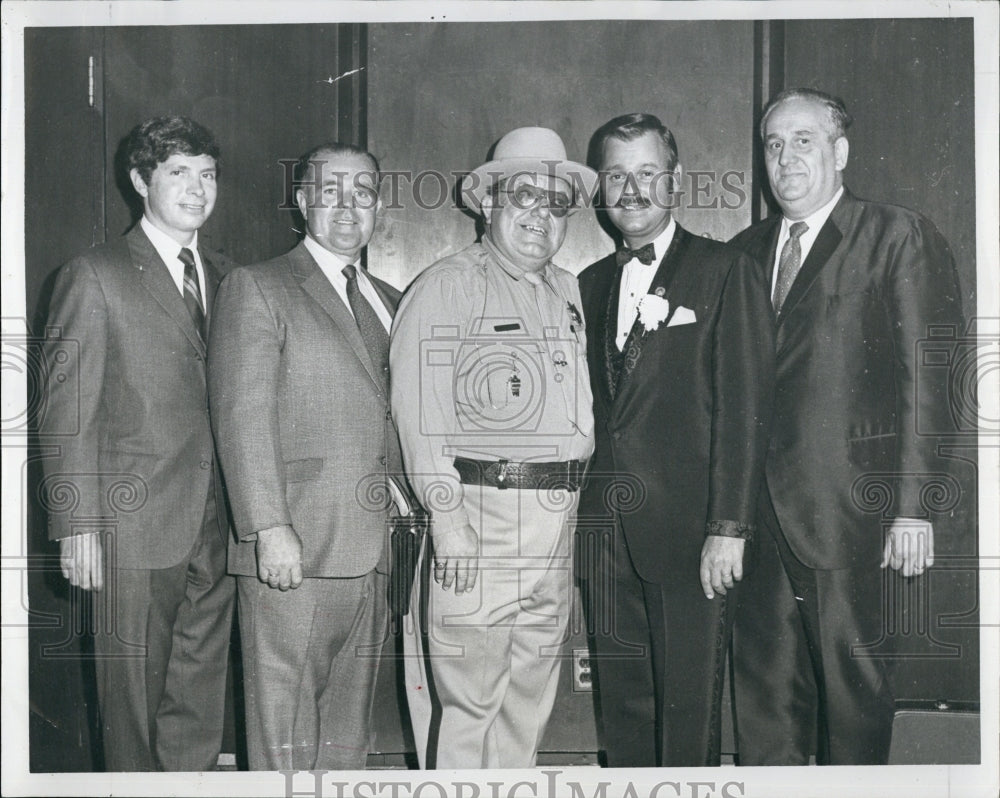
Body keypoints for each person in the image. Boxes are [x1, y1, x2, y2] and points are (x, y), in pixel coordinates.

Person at [730, 88, 965, 765]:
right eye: (773, 144)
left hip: (853, 517)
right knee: (764, 710)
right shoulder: (745, 252)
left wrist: (916, 510)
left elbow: (934, 378)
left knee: (853, 706)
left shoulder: (894, 234)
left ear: (840, 152)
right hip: (758, 524)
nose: (784, 158)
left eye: (802, 140)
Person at [390, 126, 597, 769]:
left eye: (556, 203)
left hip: (556, 520)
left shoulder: (567, 291)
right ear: (489, 203)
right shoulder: (448, 286)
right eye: (524, 196)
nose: (540, 215)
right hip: (481, 516)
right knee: (468, 704)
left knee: (527, 701)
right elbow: (419, 416)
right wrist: (447, 520)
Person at [576, 112, 774, 767]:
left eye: (647, 173)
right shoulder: (587, 284)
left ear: (677, 180)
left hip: (693, 535)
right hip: (606, 534)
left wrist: (729, 526)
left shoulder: (724, 270)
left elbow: (746, 410)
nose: (631, 189)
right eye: (616, 175)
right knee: (623, 710)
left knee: (688, 713)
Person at [39, 116, 237, 771]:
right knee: (130, 708)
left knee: (199, 700)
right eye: (177, 173)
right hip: (132, 526)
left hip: (219, 524)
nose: (195, 189)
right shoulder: (94, 275)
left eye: (206, 174)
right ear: (139, 181)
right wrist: (76, 526)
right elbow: (65, 412)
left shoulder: (231, 278)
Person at [208, 143, 401, 771]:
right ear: (302, 201)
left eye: (364, 192)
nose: (348, 206)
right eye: (331, 189)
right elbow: (241, 416)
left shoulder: (391, 299)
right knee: (285, 734)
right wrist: (269, 527)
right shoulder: (258, 286)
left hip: (374, 550)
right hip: (295, 551)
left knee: (349, 738)